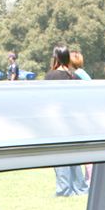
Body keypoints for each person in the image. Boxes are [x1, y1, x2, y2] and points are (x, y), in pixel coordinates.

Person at [44, 46, 86, 195]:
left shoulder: (50, 76)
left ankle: (64, 189)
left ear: (55, 58)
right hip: (73, 122)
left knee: (60, 157)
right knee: (75, 156)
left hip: (57, 122)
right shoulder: (75, 77)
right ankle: (80, 187)